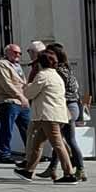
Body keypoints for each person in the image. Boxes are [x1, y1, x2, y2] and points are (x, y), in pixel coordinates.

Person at [15, 50, 77, 182]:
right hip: (53, 115)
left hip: (49, 115)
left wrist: (26, 86)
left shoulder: (43, 75)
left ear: (40, 63)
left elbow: (29, 94)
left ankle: (69, 173)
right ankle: (28, 171)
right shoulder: (55, 75)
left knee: (58, 145)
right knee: (37, 143)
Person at [36, 42, 87, 182]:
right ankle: (55, 168)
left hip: (65, 108)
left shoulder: (55, 71)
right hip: (73, 106)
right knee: (62, 140)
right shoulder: (68, 69)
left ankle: (77, 169)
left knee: (61, 140)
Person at [0, 44, 31, 164]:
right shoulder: (2, 65)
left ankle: (31, 153)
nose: (18, 55)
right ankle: (3, 154)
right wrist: (20, 96)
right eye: (15, 52)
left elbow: (22, 83)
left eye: (20, 53)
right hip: (8, 101)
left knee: (28, 128)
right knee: (7, 128)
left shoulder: (17, 66)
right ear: (7, 52)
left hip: (22, 102)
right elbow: (6, 84)